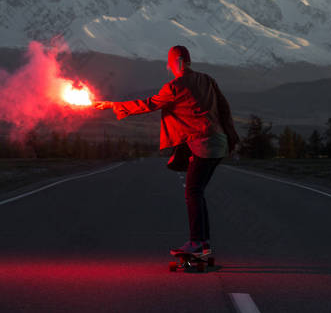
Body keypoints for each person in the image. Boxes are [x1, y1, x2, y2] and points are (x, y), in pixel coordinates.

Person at [94, 45, 239, 256]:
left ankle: (198, 242)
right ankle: (203, 243)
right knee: (197, 192)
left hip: (203, 144)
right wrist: (231, 138)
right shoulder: (207, 79)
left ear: (174, 64)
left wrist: (112, 105)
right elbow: (224, 108)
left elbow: (148, 104)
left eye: (170, 64)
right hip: (219, 142)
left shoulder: (174, 87)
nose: (169, 68)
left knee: (193, 192)